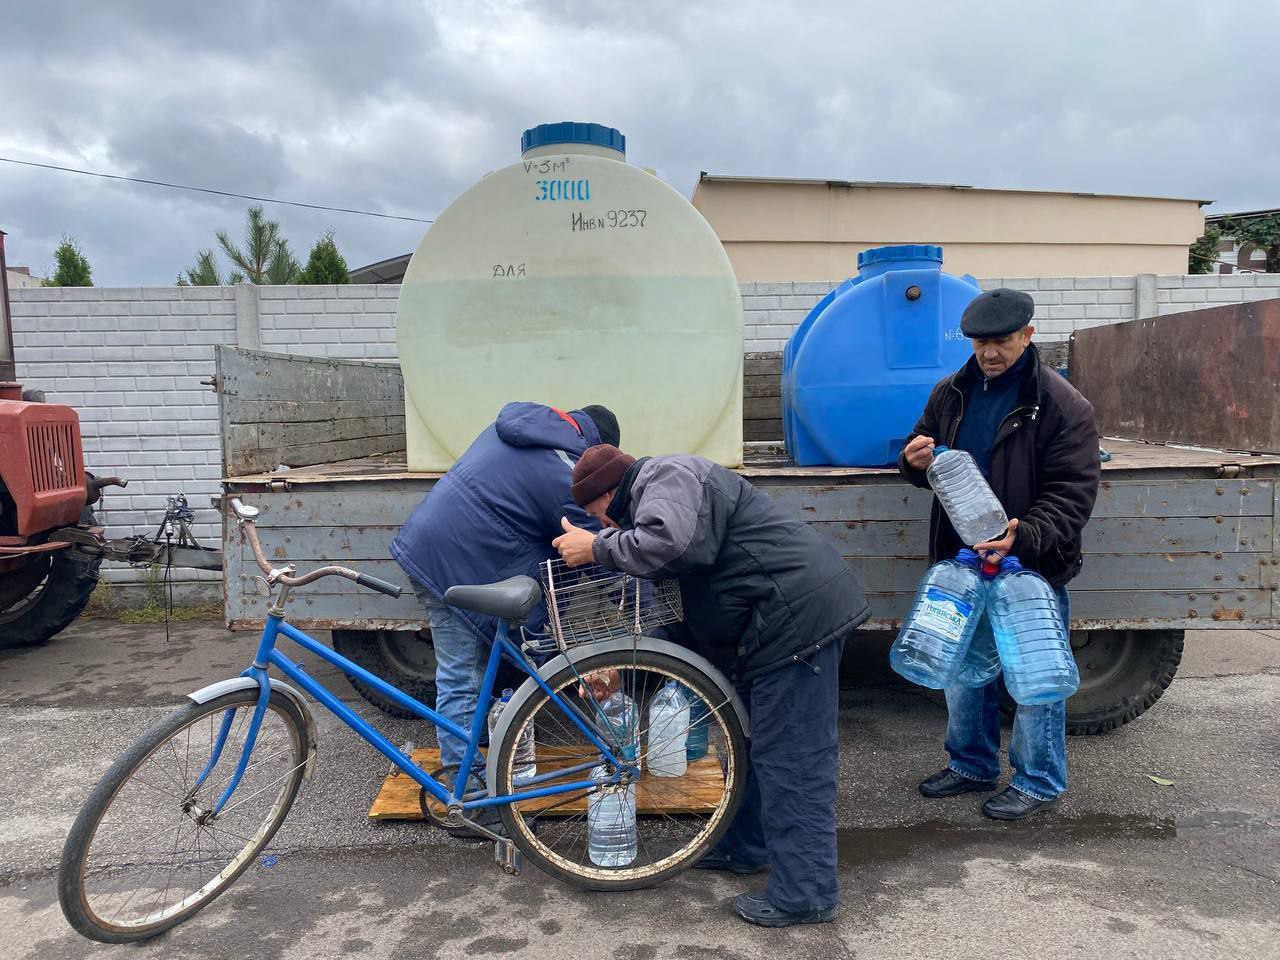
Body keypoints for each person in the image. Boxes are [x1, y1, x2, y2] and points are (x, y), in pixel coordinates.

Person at [553, 444, 870, 928]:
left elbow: (674, 544)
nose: (599, 526)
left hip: (795, 620)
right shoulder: (652, 504)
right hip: (765, 628)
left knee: (794, 760)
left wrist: (594, 549)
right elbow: (678, 623)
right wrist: (622, 672)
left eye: (594, 516)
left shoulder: (667, 476)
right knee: (749, 746)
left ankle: (806, 894)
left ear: (606, 495)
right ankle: (745, 847)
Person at [898, 288, 1100, 820]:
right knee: (964, 670)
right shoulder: (951, 393)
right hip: (962, 564)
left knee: (1033, 677)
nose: (990, 353)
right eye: (981, 343)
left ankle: (1038, 780)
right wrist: (912, 460)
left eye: (1002, 342)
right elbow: (929, 460)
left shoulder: (1062, 405)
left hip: (1029, 567)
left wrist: (1025, 535)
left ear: (1028, 336)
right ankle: (971, 764)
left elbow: (1073, 493)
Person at [390, 402, 620, 792]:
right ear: (595, 449)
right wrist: (646, 618)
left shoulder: (522, 429)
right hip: (453, 562)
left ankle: (475, 760)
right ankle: (464, 791)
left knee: (476, 672)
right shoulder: (566, 472)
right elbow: (602, 556)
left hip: (436, 545)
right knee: (463, 676)